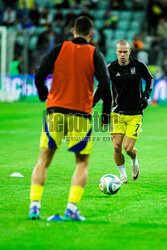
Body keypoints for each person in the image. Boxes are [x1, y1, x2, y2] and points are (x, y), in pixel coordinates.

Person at [28, 16, 111, 221]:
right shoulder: (94, 53)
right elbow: (106, 86)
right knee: (82, 163)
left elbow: (39, 74)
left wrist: (43, 93)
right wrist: (106, 114)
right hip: (80, 115)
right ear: (91, 35)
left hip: (55, 111)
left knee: (43, 160)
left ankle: (35, 207)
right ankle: (71, 209)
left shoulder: (59, 49)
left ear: (73, 32)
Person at [94, 40, 153, 184]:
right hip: (117, 113)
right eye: (120, 52)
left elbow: (149, 79)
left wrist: (146, 96)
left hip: (135, 114)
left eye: (125, 52)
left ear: (129, 52)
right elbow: (101, 86)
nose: (122, 55)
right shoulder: (111, 68)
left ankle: (134, 160)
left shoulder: (139, 65)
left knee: (128, 148)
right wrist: (92, 101)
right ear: (116, 52)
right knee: (116, 146)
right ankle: (122, 176)